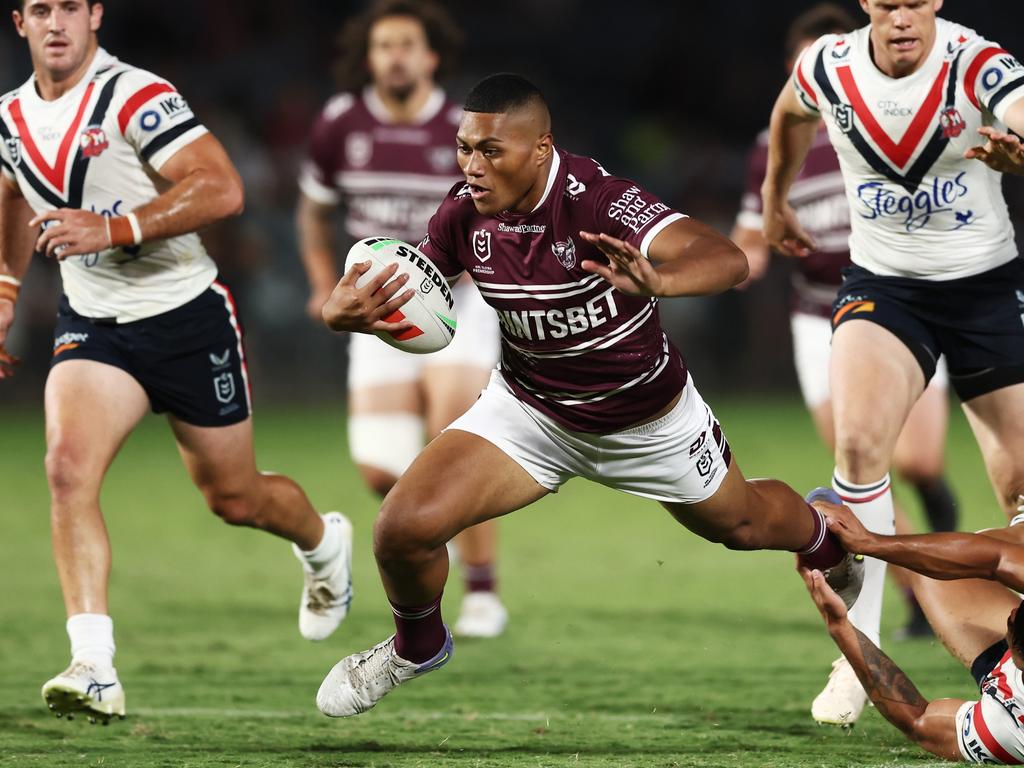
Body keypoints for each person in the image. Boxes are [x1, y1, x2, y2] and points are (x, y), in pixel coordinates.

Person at [310, 72, 865, 717]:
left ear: (541, 149)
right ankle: (418, 644)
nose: (472, 167)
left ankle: (827, 540)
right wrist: (343, 311)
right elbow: (420, 282)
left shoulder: (599, 202)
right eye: (464, 148)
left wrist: (659, 278)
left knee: (743, 526)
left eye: (491, 151)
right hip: (531, 413)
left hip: (648, 421)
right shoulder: (464, 212)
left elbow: (728, 260)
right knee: (401, 530)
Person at [0, 0, 353, 724]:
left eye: (71, 6)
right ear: (20, 23)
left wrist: (116, 227)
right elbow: (11, 192)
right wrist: (5, 287)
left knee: (235, 498)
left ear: (95, 14)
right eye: (42, 9)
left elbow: (222, 187)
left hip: (186, 317)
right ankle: (93, 664)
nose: (57, 22)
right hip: (93, 325)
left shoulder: (136, 94)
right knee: (67, 470)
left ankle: (324, 544)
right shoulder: (8, 116)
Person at [761, 0, 1024, 728]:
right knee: (857, 446)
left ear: (937, 3)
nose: (902, 15)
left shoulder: (976, 62)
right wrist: (772, 197)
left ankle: (1011, 661)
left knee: (1022, 499)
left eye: (916, 1)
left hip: (985, 293)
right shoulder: (831, 65)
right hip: (885, 288)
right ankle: (860, 651)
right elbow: (789, 114)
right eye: (888, 2)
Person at [732, 2, 960, 724]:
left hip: (912, 309)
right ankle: (864, 643)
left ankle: (923, 587)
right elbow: (751, 240)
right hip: (821, 319)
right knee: (861, 467)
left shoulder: (904, 123)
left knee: (920, 462)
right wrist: (688, 269)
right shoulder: (774, 148)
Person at [296, 0, 506, 639]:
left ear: (431, 56)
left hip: (458, 304)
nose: (395, 56)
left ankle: (482, 593)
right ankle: (418, 549)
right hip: (374, 314)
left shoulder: (460, 125)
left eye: (407, 45)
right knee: (379, 467)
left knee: (456, 441)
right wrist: (318, 284)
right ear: (369, 57)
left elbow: (497, 211)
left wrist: (469, 271)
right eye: (384, 45)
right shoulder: (340, 124)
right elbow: (313, 211)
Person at [802, 499, 1024, 762]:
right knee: (941, 562)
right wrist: (868, 542)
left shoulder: (1008, 727)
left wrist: (840, 626)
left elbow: (919, 722)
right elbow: (996, 558)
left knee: (933, 566)